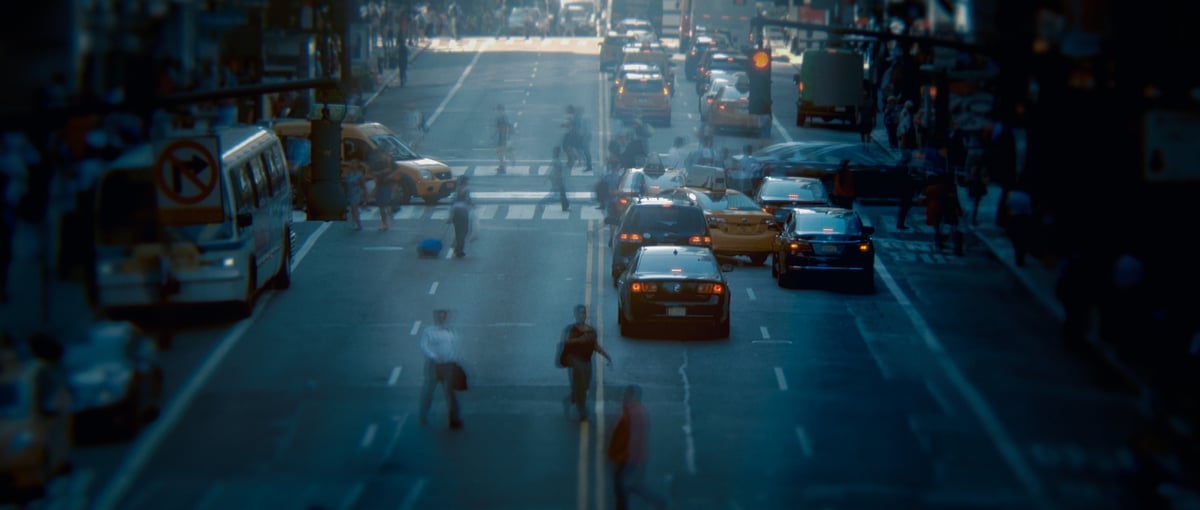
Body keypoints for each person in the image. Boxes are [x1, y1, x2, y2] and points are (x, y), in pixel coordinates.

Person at [607, 385, 667, 510]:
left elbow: (633, 438)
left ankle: (658, 502)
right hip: (625, 458)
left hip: (629, 458)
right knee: (625, 485)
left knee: (625, 485)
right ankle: (657, 502)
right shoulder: (630, 411)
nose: (623, 397)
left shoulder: (635, 413)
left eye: (626, 394)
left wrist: (628, 458)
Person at [559, 304, 611, 422]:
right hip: (575, 360)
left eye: (584, 313)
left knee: (584, 386)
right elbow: (566, 342)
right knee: (579, 384)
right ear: (576, 315)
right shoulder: (571, 329)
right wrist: (579, 340)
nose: (583, 315)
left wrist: (606, 356)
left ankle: (571, 399)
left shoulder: (591, 330)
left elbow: (595, 346)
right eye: (580, 313)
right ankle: (582, 411)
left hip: (586, 361)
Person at [418, 309, 464, 429]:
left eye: (444, 317)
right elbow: (423, 346)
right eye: (440, 317)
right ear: (436, 318)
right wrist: (433, 356)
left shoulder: (450, 331)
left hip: (448, 365)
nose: (442, 319)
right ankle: (423, 414)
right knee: (429, 391)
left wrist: (456, 358)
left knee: (450, 392)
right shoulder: (429, 331)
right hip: (434, 365)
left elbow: (454, 346)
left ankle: (454, 419)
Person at [341, 142, 369, 231]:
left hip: (356, 193)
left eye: (354, 163)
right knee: (351, 210)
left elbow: (363, 186)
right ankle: (354, 222)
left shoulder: (359, 175)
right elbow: (344, 182)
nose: (351, 164)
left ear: (357, 165)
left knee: (354, 209)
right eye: (351, 163)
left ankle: (358, 224)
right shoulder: (348, 173)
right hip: (349, 192)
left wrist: (365, 198)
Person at [1004, 185, 1035, 266]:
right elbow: (1030, 210)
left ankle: (1018, 258)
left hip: (1015, 218)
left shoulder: (1012, 196)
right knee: (1023, 239)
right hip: (1025, 219)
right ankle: (1022, 257)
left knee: (1016, 239)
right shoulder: (1027, 196)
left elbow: (1007, 206)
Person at [369, 149, 397, 232]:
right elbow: (372, 173)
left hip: (388, 185)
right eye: (382, 154)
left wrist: (391, 177)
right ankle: (384, 222)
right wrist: (382, 172)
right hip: (380, 185)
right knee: (381, 205)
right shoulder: (377, 163)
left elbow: (397, 171)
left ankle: (388, 218)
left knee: (386, 204)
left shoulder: (391, 163)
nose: (384, 156)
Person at [449, 176, 474, 257]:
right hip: (463, 212)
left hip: (455, 211)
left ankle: (457, 247)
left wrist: (450, 216)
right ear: (465, 182)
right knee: (464, 230)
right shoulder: (466, 189)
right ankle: (459, 249)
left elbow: (452, 201)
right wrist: (473, 205)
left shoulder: (456, 189)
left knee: (457, 231)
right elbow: (467, 200)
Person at [546, 145, 570, 211]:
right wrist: (559, 178)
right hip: (558, 179)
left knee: (561, 192)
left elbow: (551, 170)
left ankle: (565, 206)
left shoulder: (556, 160)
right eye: (560, 152)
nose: (562, 153)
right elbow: (556, 171)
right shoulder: (557, 161)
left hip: (557, 179)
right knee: (562, 192)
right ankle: (565, 206)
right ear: (558, 153)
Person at [494, 105, 513, 174]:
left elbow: (505, 127)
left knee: (500, 152)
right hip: (502, 137)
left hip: (503, 137)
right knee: (500, 152)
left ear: (501, 110)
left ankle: (502, 166)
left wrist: (505, 136)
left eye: (498, 110)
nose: (497, 112)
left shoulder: (503, 118)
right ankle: (502, 166)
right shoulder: (502, 117)